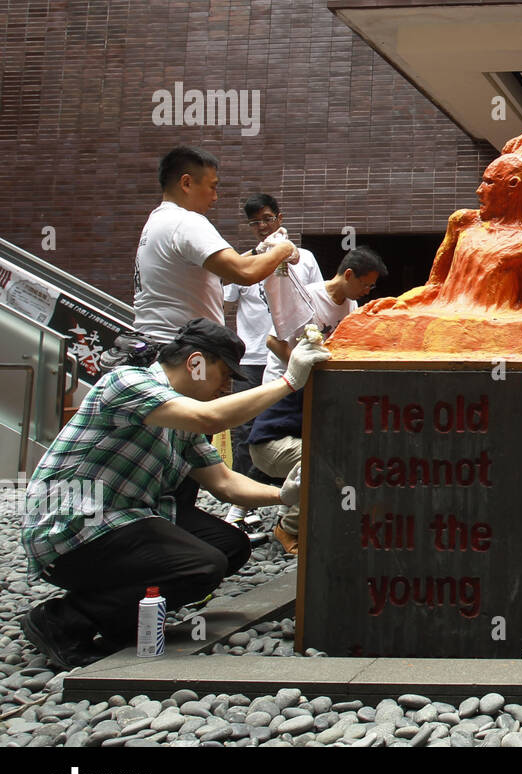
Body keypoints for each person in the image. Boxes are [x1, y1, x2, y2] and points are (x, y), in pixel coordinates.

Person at [19, 319, 330, 670]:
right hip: (71, 526)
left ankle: (121, 618)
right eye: (224, 374)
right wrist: (289, 382)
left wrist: (284, 496)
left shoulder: (182, 419)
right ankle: (63, 620)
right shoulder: (128, 382)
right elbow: (209, 419)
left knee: (231, 547)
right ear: (196, 362)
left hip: (122, 518)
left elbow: (224, 483)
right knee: (201, 564)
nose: (225, 387)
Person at [249, 246, 387, 555]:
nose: (367, 291)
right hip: (288, 385)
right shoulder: (308, 296)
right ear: (348, 274)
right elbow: (272, 340)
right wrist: (301, 370)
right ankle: (275, 522)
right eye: (366, 284)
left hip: (319, 388)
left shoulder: (350, 305)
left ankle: (318, 520)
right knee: (324, 459)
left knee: (339, 454)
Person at [223, 194, 322, 524]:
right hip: (251, 354)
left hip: (286, 356)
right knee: (245, 427)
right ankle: (241, 502)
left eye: (266, 219)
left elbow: (316, 301)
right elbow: (230, 299)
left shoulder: (302, 258)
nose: (262, 227)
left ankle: (287, 497)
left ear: (280, 218)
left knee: (286, 427)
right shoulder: (244, 261)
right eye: (255, 223)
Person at [134, 147, 297, 344]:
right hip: (183, 351)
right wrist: (284, 248)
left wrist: (258, 252)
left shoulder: (157, 221)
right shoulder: (185, 221)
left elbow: (220, 275)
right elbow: (245, 273)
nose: (215, 197)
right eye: (212, 187)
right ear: (186, 183)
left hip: (159, 344)